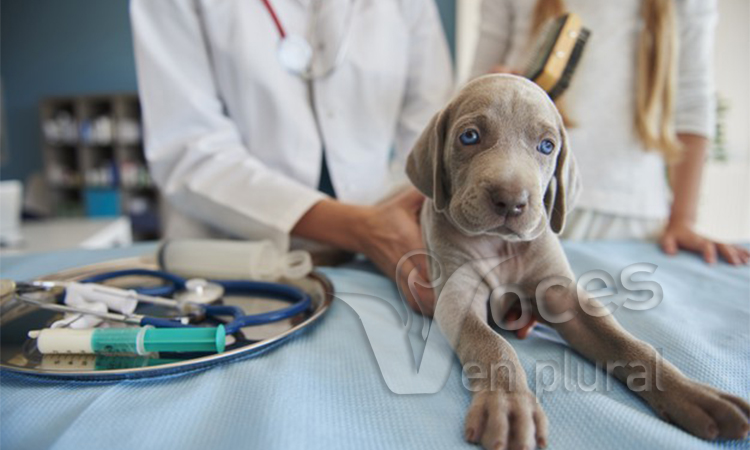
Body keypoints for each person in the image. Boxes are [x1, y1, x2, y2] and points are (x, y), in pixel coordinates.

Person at [130, 0, 454, 315]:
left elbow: (431, 130)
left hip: (381, 257)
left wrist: (410, 221)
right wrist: (363, 229)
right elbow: (188, 148)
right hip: (236, 262)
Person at [471, 0, 750, 266]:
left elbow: (692, 104)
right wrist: (492, 86)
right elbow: (472, 88)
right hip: (519, 204)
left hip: (634, 220)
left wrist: (683, 220)